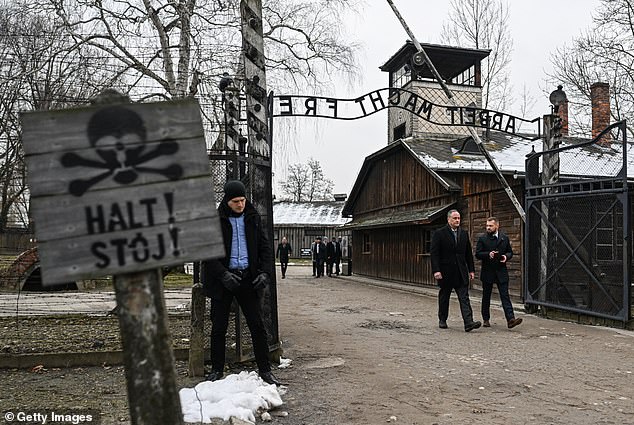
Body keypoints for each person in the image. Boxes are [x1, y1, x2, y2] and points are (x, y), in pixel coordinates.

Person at [201, 180, 281, 386]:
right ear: (227, 201)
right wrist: (223, 275)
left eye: (243, 200)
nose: (240, 205)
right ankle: (217, 369)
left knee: (257, 326)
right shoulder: (215, 221)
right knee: (219, 327)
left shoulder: (253, 218)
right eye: (235, 201)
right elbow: (209, 254)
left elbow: (265, 249)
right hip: (224, 280)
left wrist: (264, 273)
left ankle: (265, 370)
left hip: (248, 279)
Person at [430, 209, 481, 332]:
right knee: (444, 297)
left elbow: (468, 253)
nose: (457, 220)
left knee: (464, 297)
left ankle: (468, 322)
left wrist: (471, 270)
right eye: (455, 218)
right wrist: (436, 270)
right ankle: (442, 319)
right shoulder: (439, 233)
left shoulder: (463, 234)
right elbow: (434, 254)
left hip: (460, 272)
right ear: (449, 219)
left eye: (459, 218)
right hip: (445, 272)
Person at [475, 217, 523, 329]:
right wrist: (488, 254)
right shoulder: (482, 239)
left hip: (501, 271)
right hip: (488, 271)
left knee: (505, 296)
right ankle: (486, 319)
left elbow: (510, 252)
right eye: (487, 225)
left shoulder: (504, 238)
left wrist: (506, 257)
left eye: (490, 226)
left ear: (497, 225)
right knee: (486, 296)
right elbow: (477, 254)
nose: (488, 228)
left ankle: (510, 319)